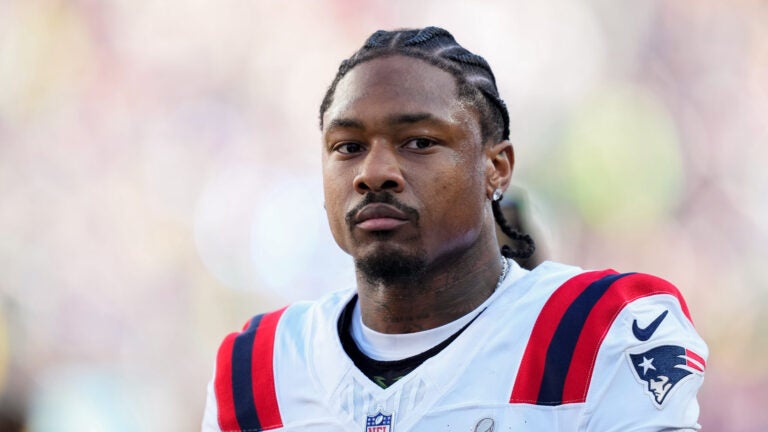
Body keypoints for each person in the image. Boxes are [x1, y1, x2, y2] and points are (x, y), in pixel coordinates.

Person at [201, 26, 707, 432]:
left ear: (497, 168)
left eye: (418, 142)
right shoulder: (257, 368)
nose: (373, 171)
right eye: (348, 146)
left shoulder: (598, 329)